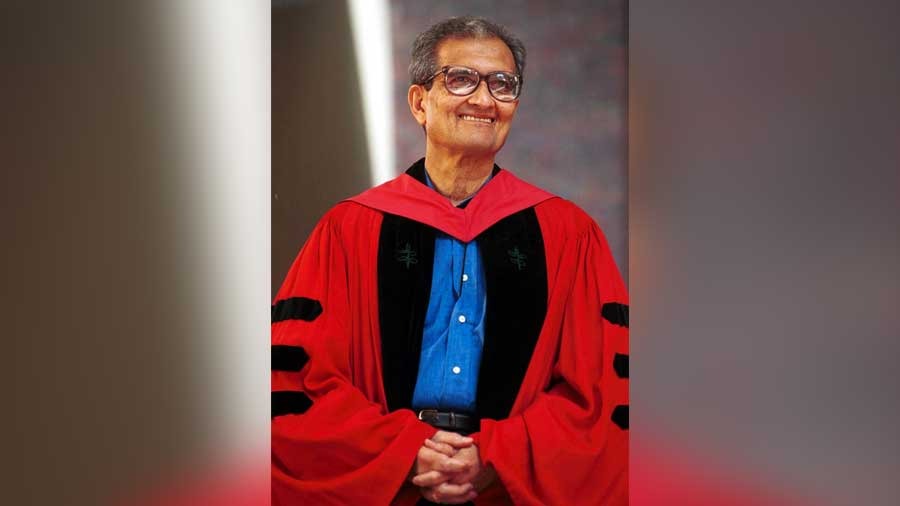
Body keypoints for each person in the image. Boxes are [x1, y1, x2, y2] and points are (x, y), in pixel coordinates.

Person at [272, 16, 628, 506]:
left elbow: (596, 393)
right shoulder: (349, 228)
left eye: (503, 85)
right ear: (420, 102)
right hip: (386, 482)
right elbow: (301, 378)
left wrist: (495, 455)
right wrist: (404, 452)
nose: (484, 100)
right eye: (461, 79)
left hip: (505, 488)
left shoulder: (568, 234)